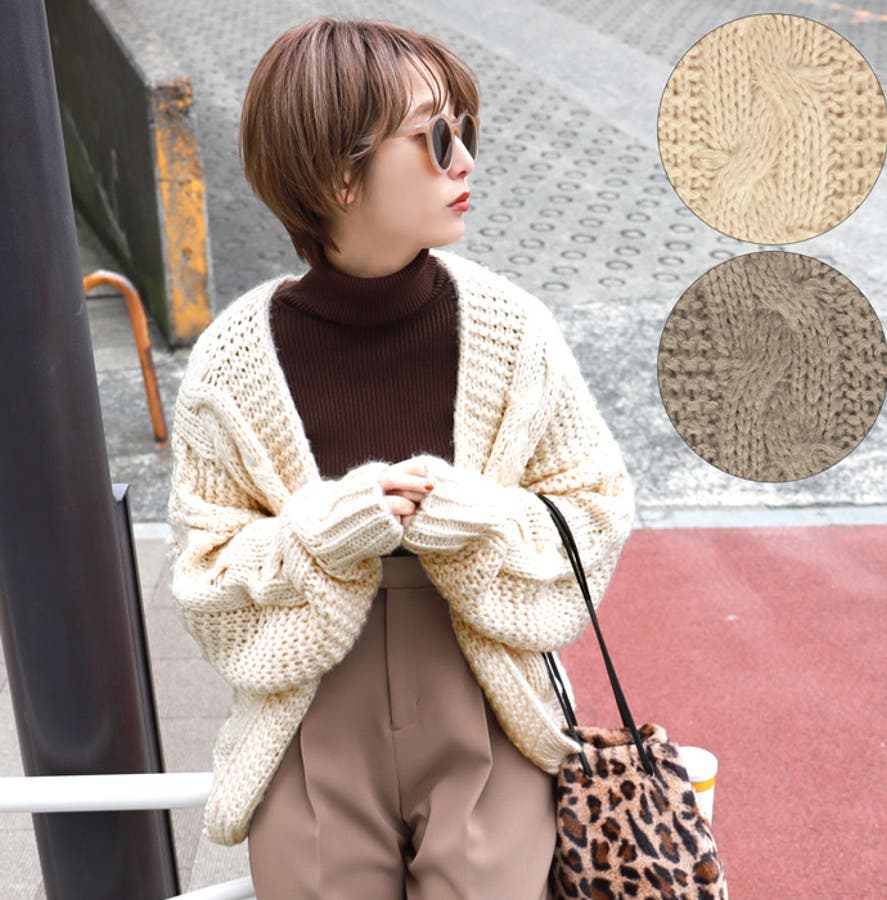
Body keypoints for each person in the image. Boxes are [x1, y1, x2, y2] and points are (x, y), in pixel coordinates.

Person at [166, 15, 635, 900]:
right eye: (435, 137)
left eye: (466, 130)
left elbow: (596, 509)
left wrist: (476, 517)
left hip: (488, 696)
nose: (465, 161)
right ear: (337, 173)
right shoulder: (232, 364)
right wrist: (327, 531)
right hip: (308, 717)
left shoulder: (513, 331)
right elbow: (204, 575)